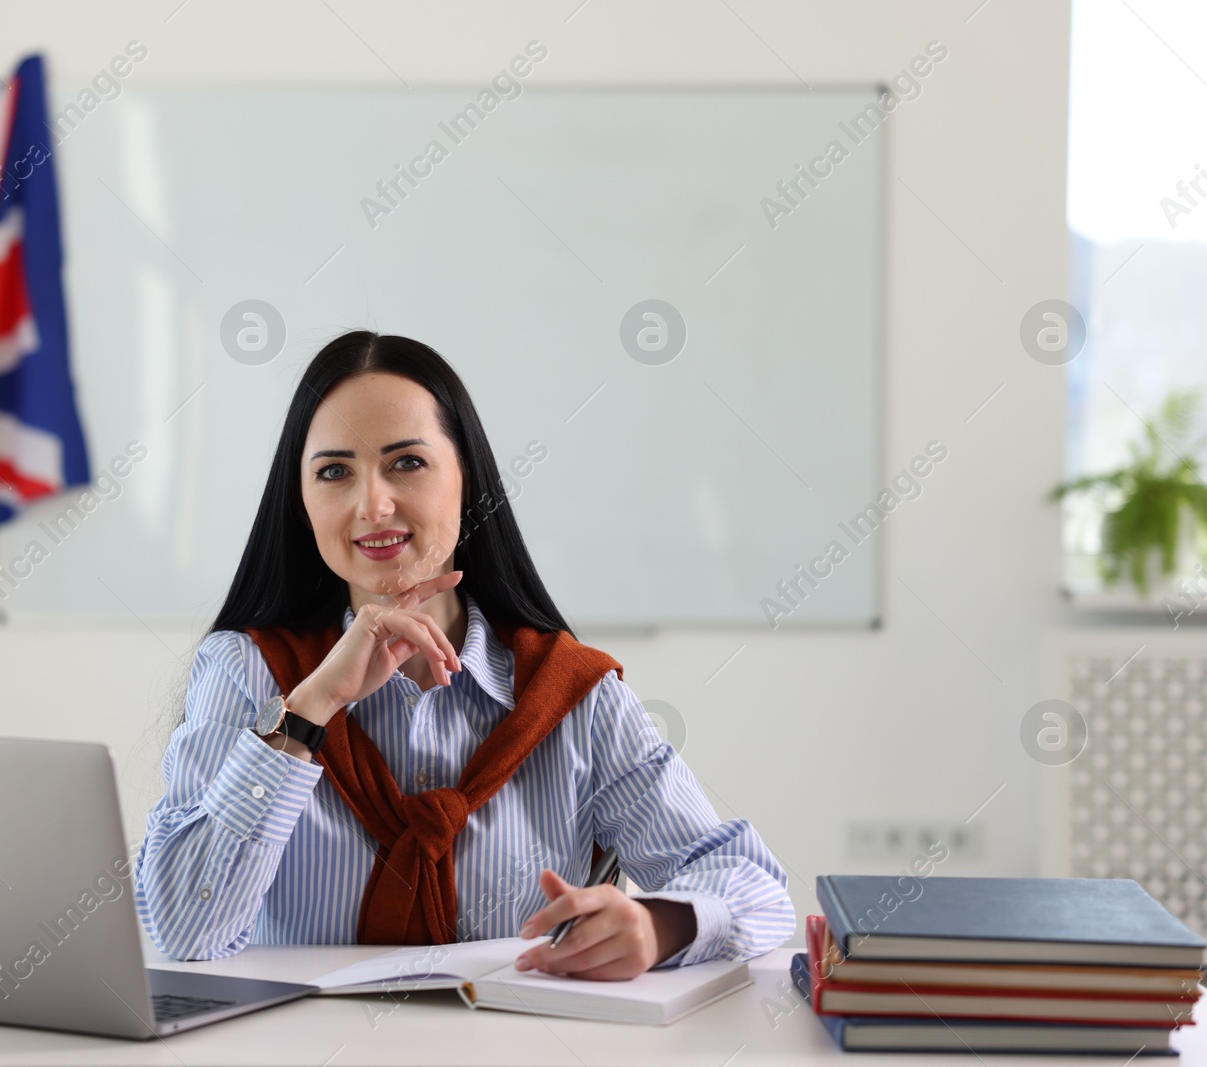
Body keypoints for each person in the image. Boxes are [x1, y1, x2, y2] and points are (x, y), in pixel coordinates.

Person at [135, 330, 794, 980]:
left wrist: (659, 925)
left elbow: (756, 888)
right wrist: (309, 711)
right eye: (334, 471)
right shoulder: (245, 674)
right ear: (301, 501)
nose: (373, 503)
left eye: (407, 462)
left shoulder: (571, 693)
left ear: (466, 478)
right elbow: (185, 932)